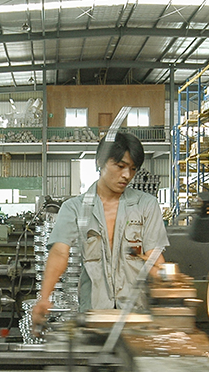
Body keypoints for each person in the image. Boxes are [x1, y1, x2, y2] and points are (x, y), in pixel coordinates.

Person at [31, 132, 169, 329]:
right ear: (100, 162)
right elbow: (60, 252)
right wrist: (44, 298)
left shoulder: (146, 205)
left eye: (133, 169)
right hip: (94, 314)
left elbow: (153, 257)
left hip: (135, 314)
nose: (127, 175)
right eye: (120, 166)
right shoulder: (74, 208)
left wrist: (170, 287)